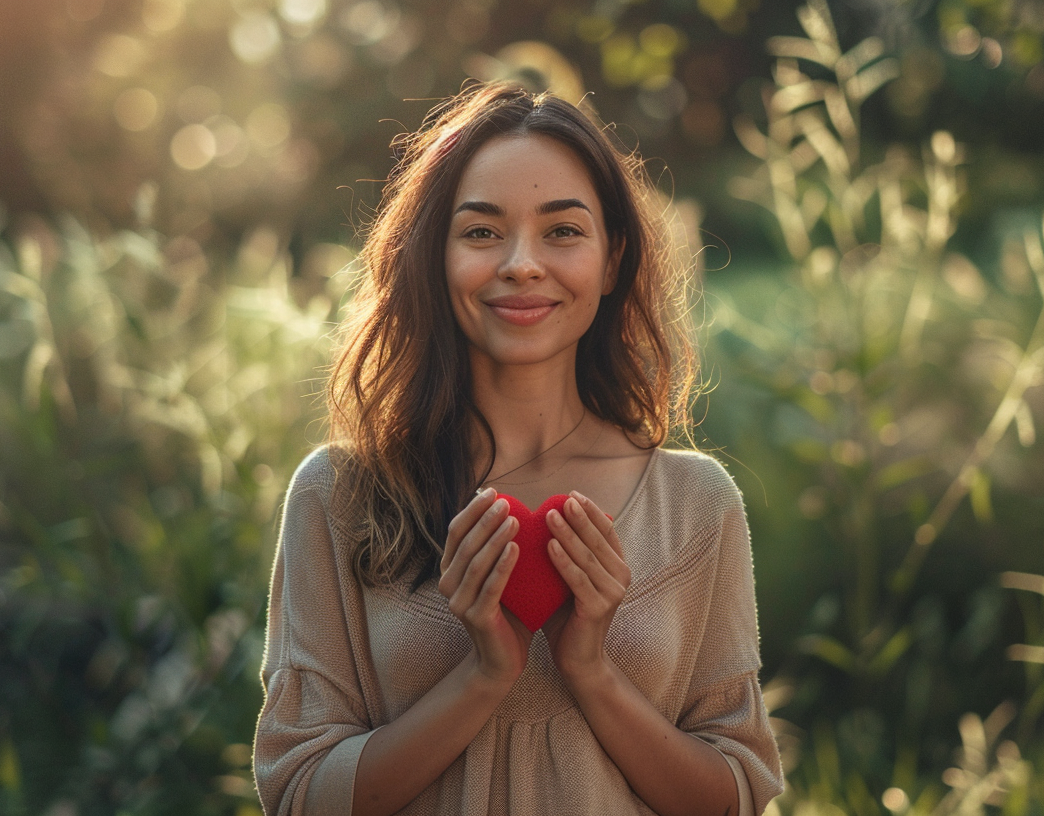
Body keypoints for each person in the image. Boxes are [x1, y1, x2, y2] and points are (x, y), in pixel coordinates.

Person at [252, 82, 784, 816]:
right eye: (481, 232)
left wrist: (591, 670)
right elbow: (298, 793)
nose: (522, 264)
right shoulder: (340, 494)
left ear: (611, 257)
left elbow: (736, 799)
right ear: (432, 257)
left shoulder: (696, 505)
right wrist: (484, 674)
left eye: (563, 231)